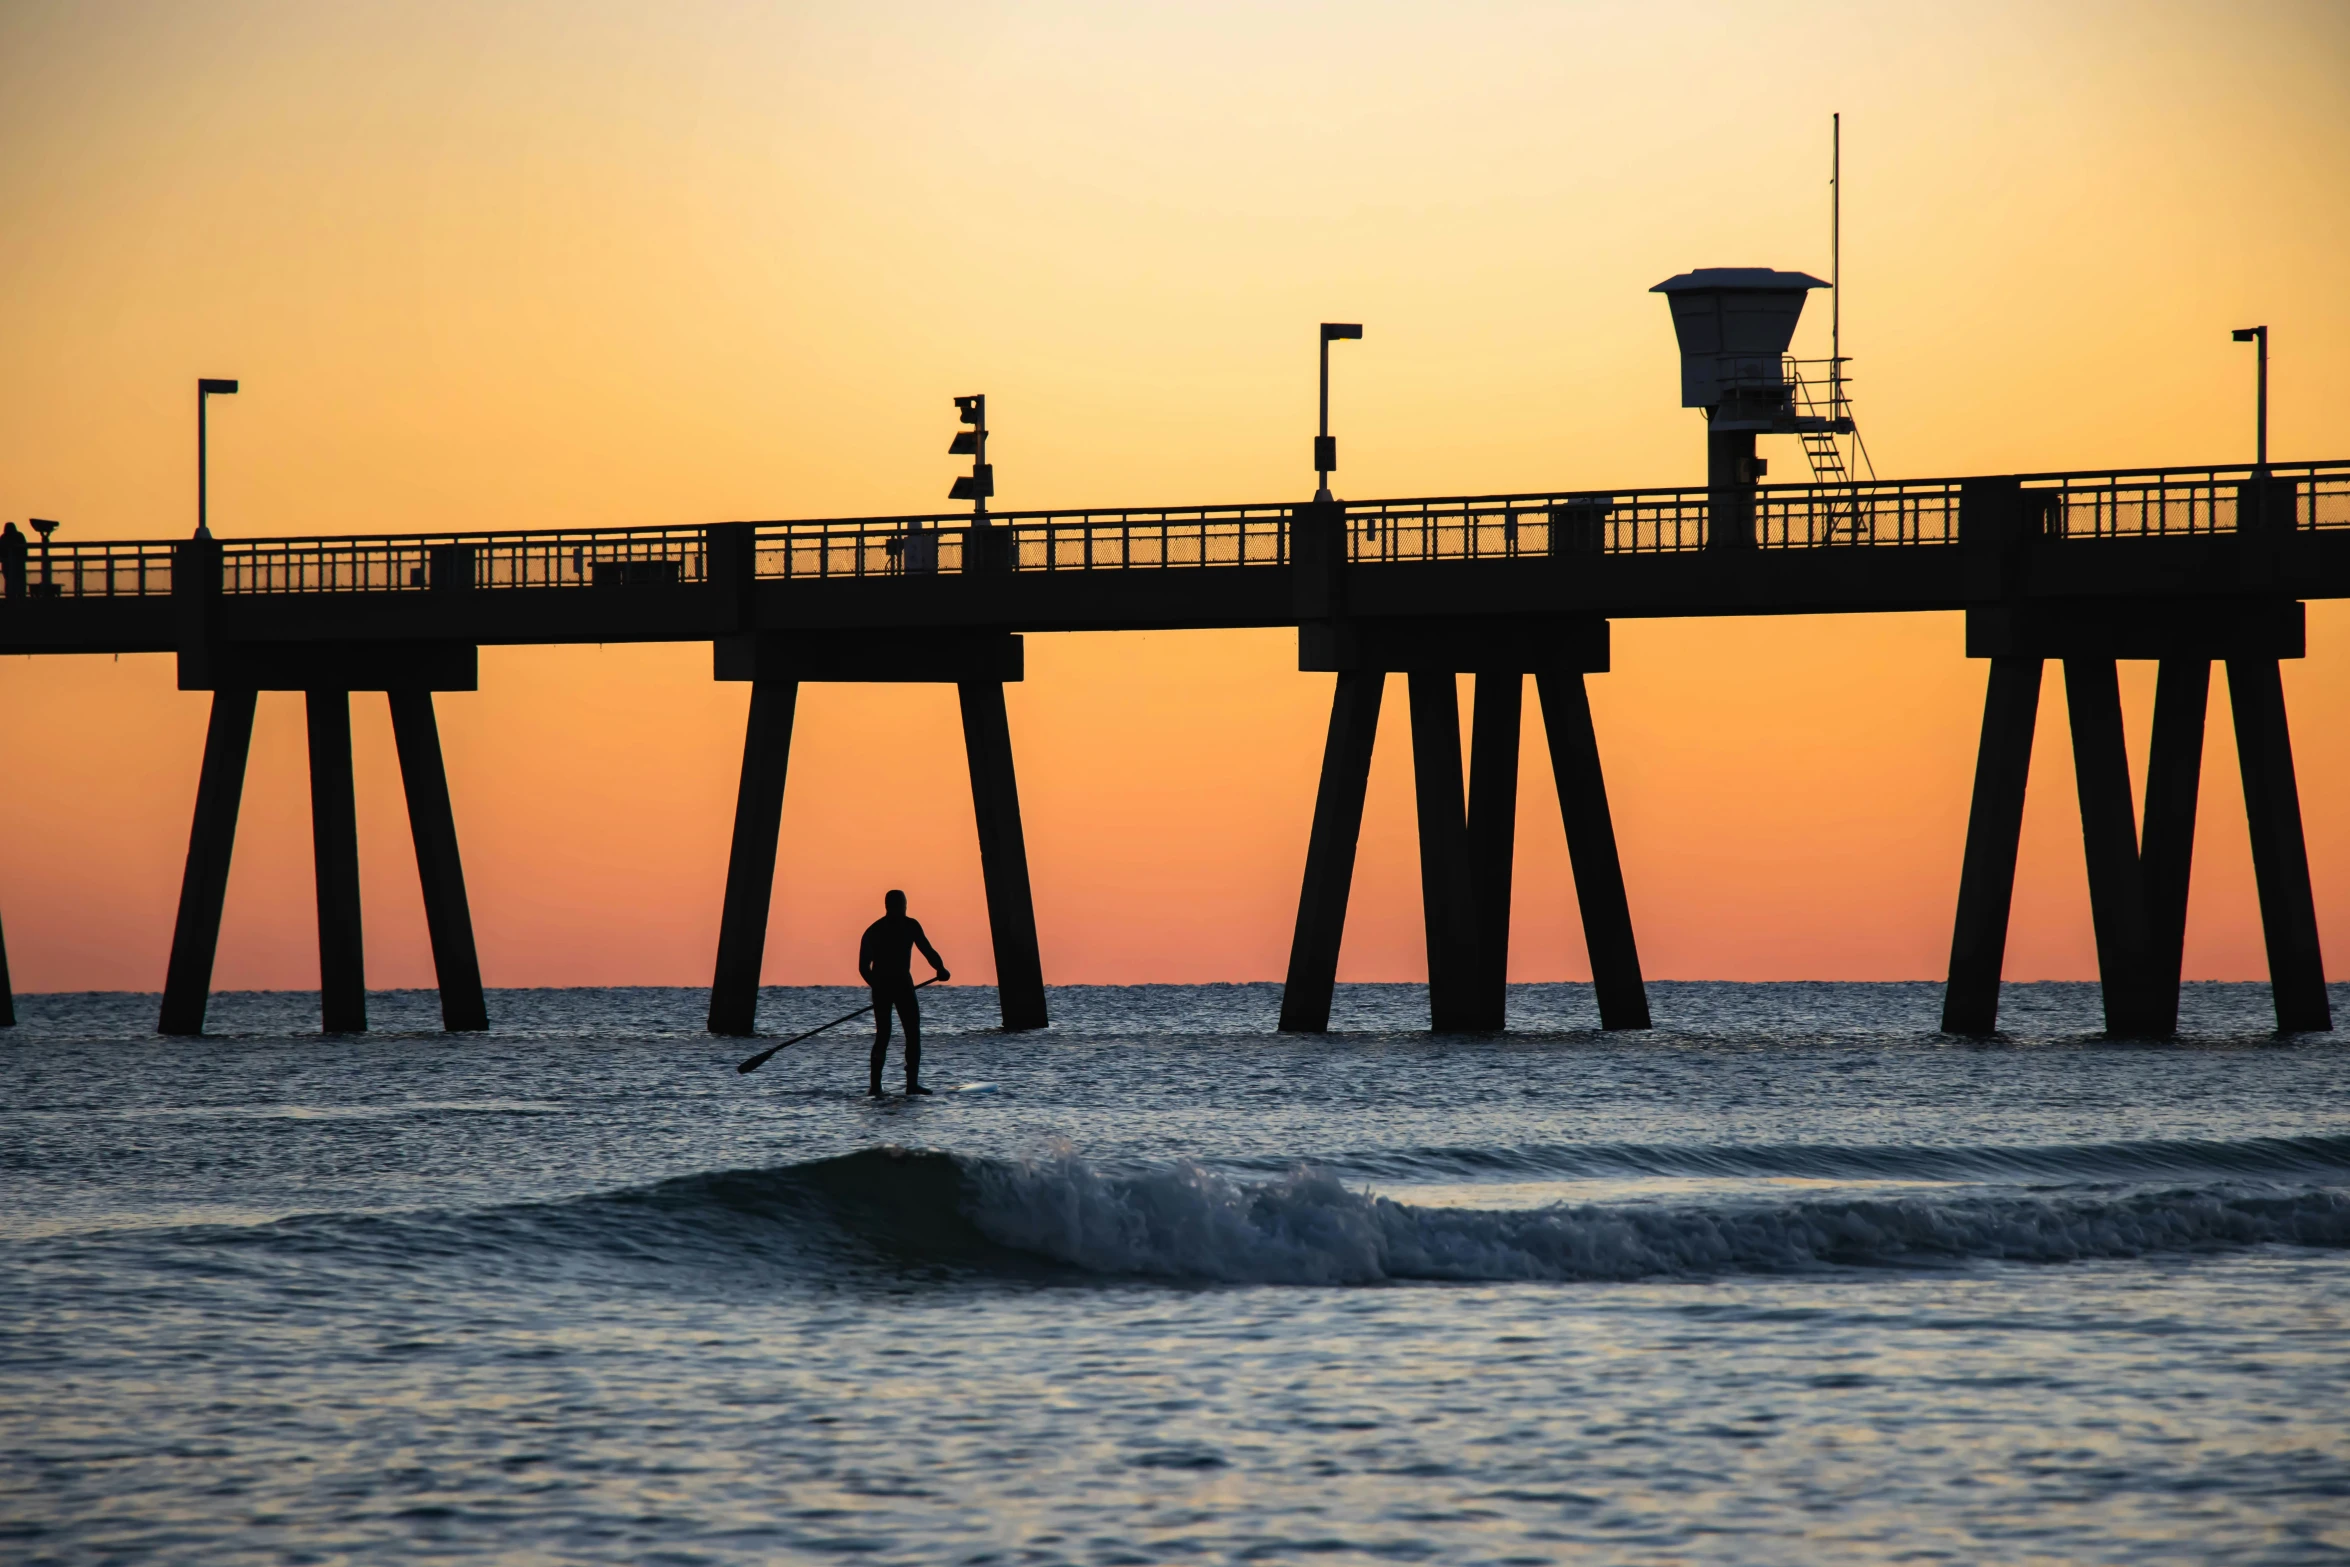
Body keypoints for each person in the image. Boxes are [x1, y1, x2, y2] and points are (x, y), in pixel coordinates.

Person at [858, 889, 948, 1096]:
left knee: (901, 1033)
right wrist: (941, 969)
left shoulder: (879, 929)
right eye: (901, 905)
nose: (903, 909)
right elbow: (863, 967)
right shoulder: (895, 928)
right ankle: (883, 1086)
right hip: (896, 986)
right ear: (896, 906)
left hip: (890, 986)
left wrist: (940, 968)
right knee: (895, 1034)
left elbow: (927, 950)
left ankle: (899, 1085)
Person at [0, 522, 25, 600]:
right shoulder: (19, 536)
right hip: (18, 563)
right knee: (20, 581)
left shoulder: (3, 537)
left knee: (9, 581)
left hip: (7, 563)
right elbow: (24, 549)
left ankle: (10, 596)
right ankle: (21, 597)